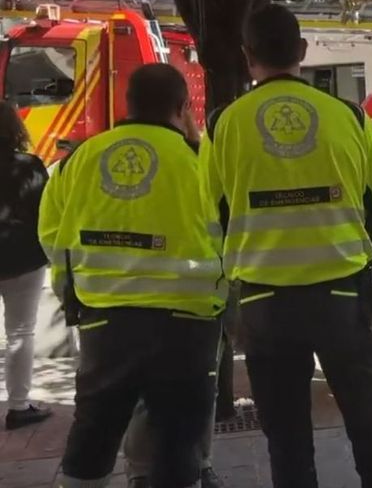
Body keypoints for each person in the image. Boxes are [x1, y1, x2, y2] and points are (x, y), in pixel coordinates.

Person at [199, 4, 372, 488]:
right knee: (369, 424)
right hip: (343, 300)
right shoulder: (350, 118)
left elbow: (208, 217)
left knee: (287, 438)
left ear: (248, 57)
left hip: (264, 304)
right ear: (303, 52)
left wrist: (234, 273)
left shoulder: (221, 126)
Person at [40, 64, 225, 488]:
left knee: (93, 436)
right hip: (189, 322)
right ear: (183, 107)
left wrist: (78, 292)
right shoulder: (201, 162)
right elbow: (229, 233)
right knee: (179, 445)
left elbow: (52, 235)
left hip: (106, 320)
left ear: (129, 104)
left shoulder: (79, 159)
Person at [0, 102, 53, 430]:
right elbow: (45, 212)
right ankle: (18, 406)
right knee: (20, 332)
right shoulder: (30, 166)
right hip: (23, 257)